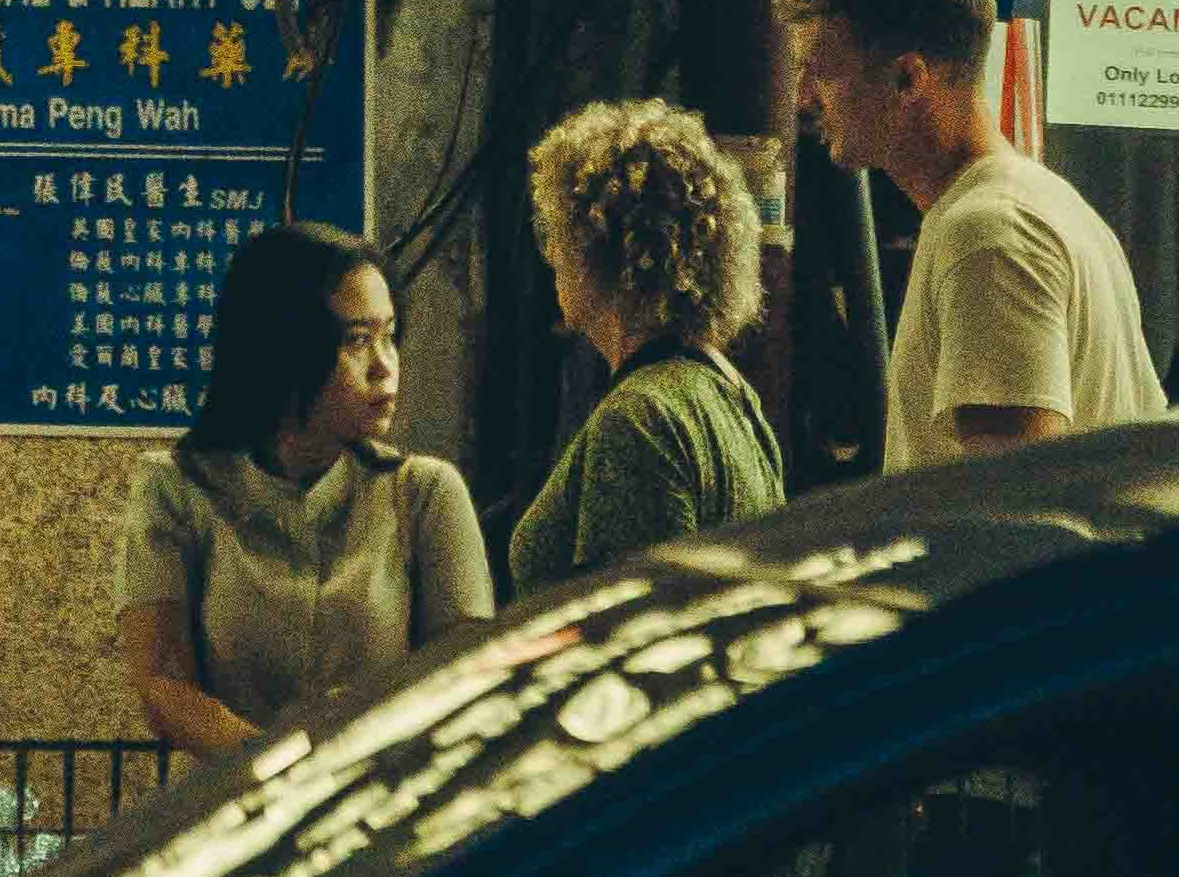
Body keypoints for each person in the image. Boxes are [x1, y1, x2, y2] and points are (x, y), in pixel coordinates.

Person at [788, 0, 1166, 461]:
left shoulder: (989, 235)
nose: (802, 97)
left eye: (820, 73)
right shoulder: (1046, 204)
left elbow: (1013, 522)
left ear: (906, 80)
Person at [112, 219, 489, 758]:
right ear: (283, 352)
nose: (386, 367)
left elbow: (466, 680)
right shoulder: (175, 490)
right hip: (239, 811)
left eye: (389, 335)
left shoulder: (424, 493)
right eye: (356, 341)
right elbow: (164, 687)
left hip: (386, 809)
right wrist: (285, 774)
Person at [512, 100, 785, 584]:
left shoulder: (638, 419)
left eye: (557, 232)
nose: (551, 254)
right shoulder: (732, 394)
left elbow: (631, 620)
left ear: (604, 247)